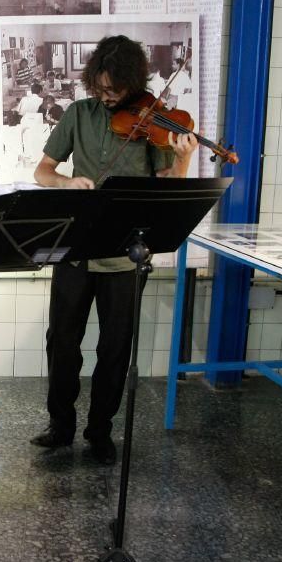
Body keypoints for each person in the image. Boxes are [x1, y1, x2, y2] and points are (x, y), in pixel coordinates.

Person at [30, 35, 197, 464]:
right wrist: (68, 182)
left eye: (116, 91)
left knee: (116, 347)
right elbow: (43, 172)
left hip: (126, 254)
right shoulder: (77, 114)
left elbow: (168, 189)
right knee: (62, 341)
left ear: (133, 82)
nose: (107, 97)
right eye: (101, 89)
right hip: (76, 249)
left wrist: (182, 160)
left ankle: (100, 430)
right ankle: (60, 425)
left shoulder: (151, 121)